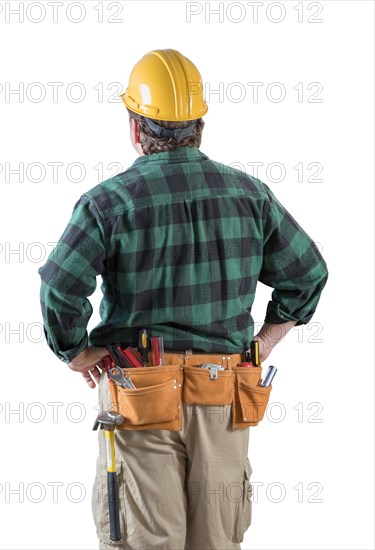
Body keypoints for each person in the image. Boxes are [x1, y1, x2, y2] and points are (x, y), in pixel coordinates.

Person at [38, 49, 328, 550]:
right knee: (217, 541)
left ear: (135, 128)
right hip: (224, 392)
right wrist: (264, 342)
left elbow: (60, 288)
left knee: (146, 541)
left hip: (139, 394)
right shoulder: (250, 196)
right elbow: (308, 275)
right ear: (199, 125)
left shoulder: (108, 203)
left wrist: (76, 351)